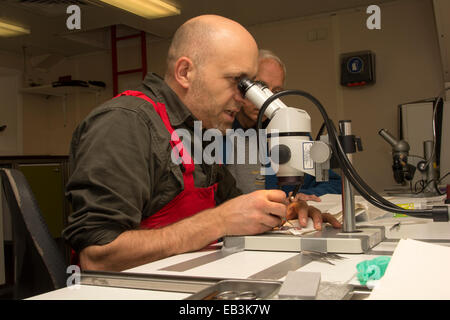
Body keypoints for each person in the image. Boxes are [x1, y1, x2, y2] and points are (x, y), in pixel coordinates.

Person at [62, 15, 341, 272]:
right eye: (237, 82)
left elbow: (235, 210)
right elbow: (96, 256)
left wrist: (281, 213)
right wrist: (217, 222)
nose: (244, 99)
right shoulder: (125, 123)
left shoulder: (200, 131)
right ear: (185, 72)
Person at [225, 49, 342, 198]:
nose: (267, 100)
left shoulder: (293, 132)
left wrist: (304, 196)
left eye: (276, 91)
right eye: (261, 88)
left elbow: (334, 183)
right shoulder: (219, 133)